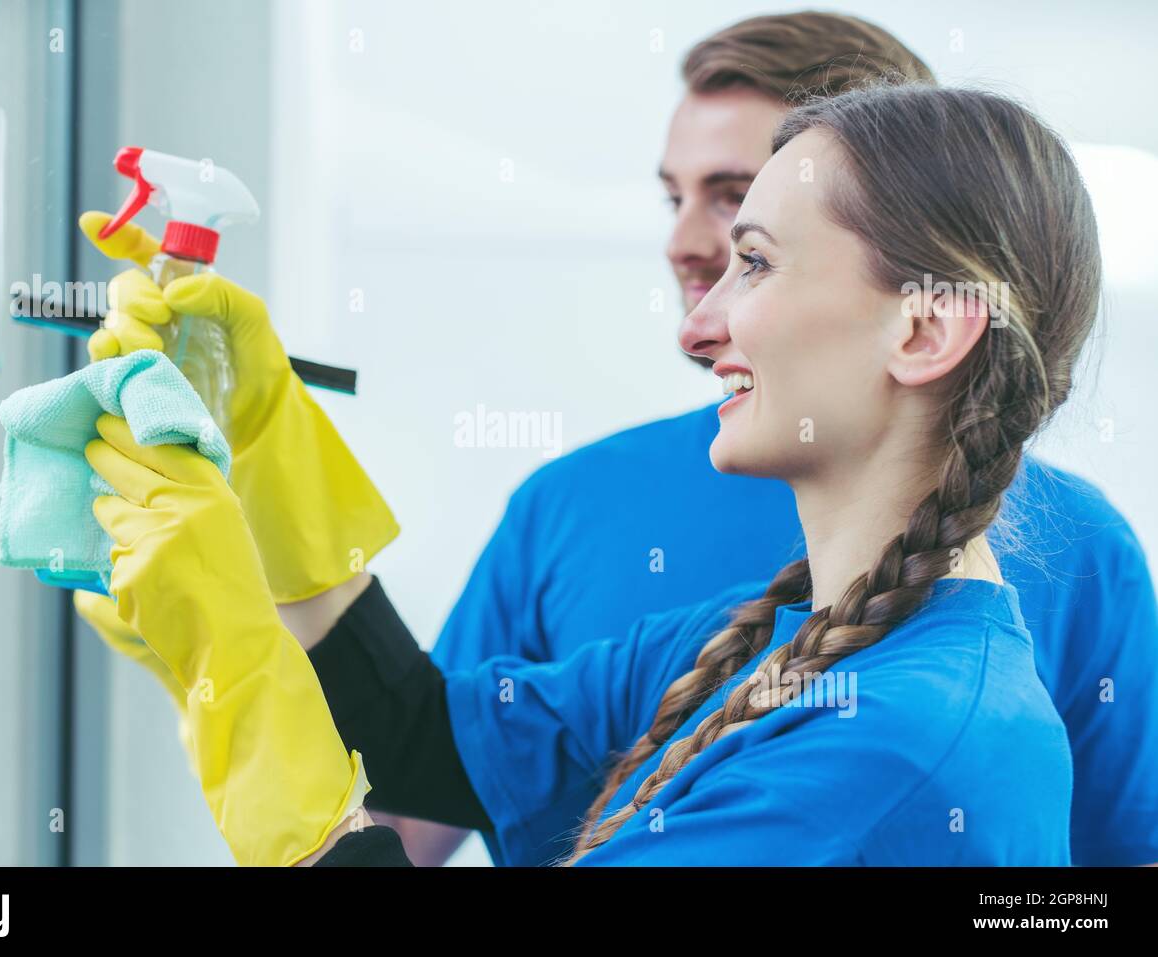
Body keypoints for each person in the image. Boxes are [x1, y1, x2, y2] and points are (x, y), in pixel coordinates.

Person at [82, 80, 1117, 865]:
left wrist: (229, 663)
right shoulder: (767, 635)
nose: (699, 325)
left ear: (925, 329)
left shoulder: (890, 744)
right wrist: (265, 438)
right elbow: (423, 741)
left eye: (752, 262)